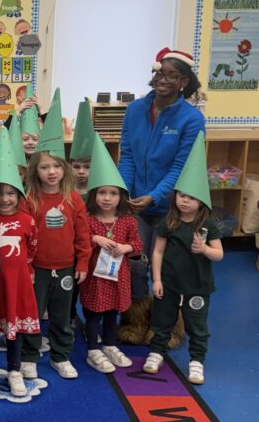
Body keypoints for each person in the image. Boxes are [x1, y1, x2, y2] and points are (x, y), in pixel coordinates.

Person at [118, 48, 205, 302]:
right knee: (135, 261)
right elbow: (128, 156)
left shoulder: (192, 119)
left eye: (171, 75)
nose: (162, 80)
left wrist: (154, 196)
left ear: (183, 81)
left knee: (165, 266)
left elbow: (181, 167)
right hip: (136, 205)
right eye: (159, 73)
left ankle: (164, 319)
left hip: (171, 208)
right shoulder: (135, 110)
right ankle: (136, 315)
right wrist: (124, 192)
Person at [20, 91, 90, 381]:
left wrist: (82, 263)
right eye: (45, 167)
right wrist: (26, 267)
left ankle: (61, 356)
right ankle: (29, 356)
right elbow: (23, 237)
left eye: (57, 166)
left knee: (62, 317)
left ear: (65, 168)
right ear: (35, 170)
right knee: (33, 314)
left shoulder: (74, 199)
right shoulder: (29, 200)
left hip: (64, 268)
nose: (51, 172)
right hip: (36, 269)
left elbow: (83, 235)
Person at [146, 134, 223, 385]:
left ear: (202, 200)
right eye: (181, 195)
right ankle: (157, 352)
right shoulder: (168, 222)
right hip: (169, 284)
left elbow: (219, 254)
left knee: (196, 325)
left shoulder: (208, 225)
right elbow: (157, 252)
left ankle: (197, 361)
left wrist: (204, 250)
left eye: (191, 196)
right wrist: (157, 280)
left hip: (197, 287)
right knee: (162, 320)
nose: (185, 200)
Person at [0, 127, 38, 398]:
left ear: (19, 194)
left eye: (10, 194)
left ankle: (15, 370)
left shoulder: (27, 220)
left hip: (17, 283)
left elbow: (32, 248)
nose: (4, 199)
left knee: (15, 329)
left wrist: (27, 269)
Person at [80, 134, 141, 374]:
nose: (107, 198)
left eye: (113, 193)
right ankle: (93, 349)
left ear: (121, 197)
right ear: (94, 195)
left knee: (112, 312)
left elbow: (138, 244)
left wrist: (127, 247)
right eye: (102, 193)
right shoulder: (88, 220)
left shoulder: (128, 221)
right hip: (95, 278)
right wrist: (95, 238)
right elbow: (79, 240)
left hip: (117, 276)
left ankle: (109, 345)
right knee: (94, 313)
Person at [68, 99, 95, 203]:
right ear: (69, 166)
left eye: (87, 167)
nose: (81, 171)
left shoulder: (97, 192)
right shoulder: (66, 190)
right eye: (76, 167)